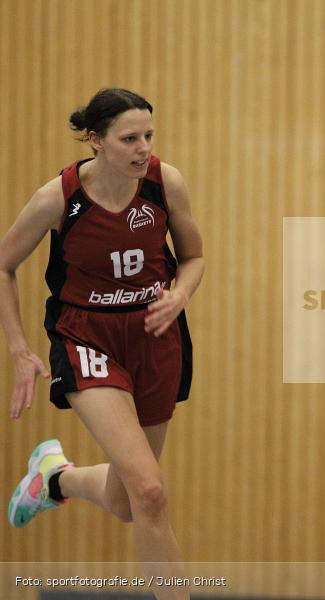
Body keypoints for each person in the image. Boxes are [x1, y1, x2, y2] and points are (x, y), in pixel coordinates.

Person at [1, 88, 203, 600]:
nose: (143, 148)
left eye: (149, 136)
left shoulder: (164, 183)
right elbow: (3, 266)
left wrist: (180, 294)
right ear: (96, 140)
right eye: (129, 138)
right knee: (151, 493)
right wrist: (20, 348)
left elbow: (194, 257)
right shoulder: (58, 199)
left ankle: (55, 479)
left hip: (154, 336)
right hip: (87, 337)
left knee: (125, 501)